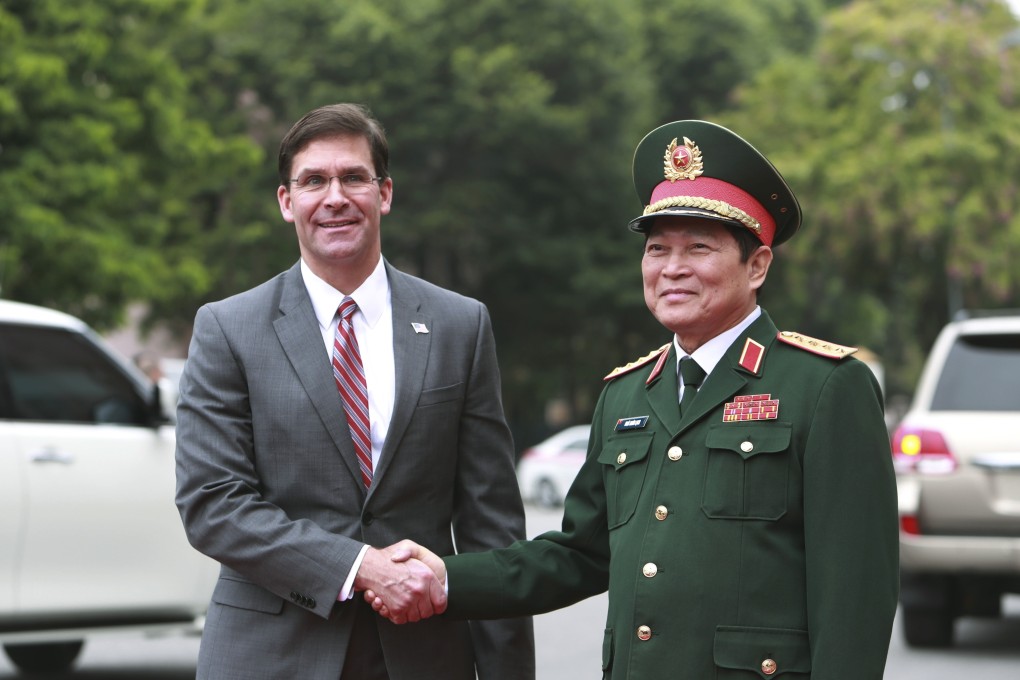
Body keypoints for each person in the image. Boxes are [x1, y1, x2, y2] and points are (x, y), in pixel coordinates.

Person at [375, 120, 899, 679]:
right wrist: (447, 578)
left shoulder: (824, 386)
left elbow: (854, 593)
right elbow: (578, 553)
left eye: (698, 247)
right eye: (656, 250)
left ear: (757, 265)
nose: (672, 268)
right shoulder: (626, 392)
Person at [174, 103, 534, 680]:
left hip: (424, 654)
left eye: (354, 178)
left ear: (384, 193)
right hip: (273, 653)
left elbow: (491, 524)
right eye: (314, 180)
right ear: (287, 202)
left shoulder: (459, 325)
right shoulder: (227, 328)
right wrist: (361, 567)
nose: (335, 197)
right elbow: (213, 504)